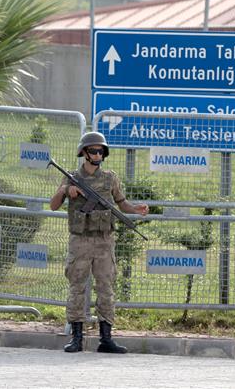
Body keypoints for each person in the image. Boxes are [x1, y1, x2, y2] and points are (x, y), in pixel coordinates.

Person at [49, 131, 148, 354]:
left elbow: (121, 204)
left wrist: (136, 209)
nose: (97, 154)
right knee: (77, 287)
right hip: (80, 240)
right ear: (84, 153)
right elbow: (53, 205)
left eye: (101, 150)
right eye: (93, 150)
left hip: (104, 241)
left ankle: (106, 338)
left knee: (106, 287)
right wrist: (66, 190)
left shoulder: (110, 178)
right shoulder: (71, 177)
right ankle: (77, 337)